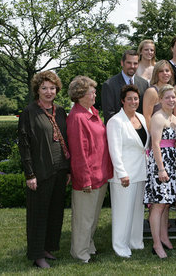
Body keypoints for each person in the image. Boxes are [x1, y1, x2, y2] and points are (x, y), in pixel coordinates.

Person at [18, 71, 70, 268]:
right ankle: (36, 254)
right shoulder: (29, 112)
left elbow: (68, 140)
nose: (49, 92)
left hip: (60, 169)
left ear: (57, 90)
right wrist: (29, 174)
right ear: (37, 90)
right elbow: (24, 145)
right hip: (40, 171)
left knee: (55, 212)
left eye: (52, 88)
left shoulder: (61, 111)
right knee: (38, 213)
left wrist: (69, 170)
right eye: (44, 88)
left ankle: (48, 247)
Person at [66, 76, 113, 263]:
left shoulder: (92, 111)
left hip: (99, 175)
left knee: (92, 217)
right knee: (83, 219)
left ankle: (89, 246)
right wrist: (84, 179)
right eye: (91, 91)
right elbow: (78, 152)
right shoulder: (77, 117)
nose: (95, 94)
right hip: (88, 177)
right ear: (80, 95)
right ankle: (80, 253)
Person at [107, 85, 150, 258]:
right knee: (123, 212)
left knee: (137, 210)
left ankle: (135, 241)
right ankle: (120, 246)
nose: (133, 101)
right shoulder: (116, 121)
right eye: (130, 99)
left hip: (140, 171)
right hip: (124, 174)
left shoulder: (140, 117)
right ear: (122, 101)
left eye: (136, 98)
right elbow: (114, 150)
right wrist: (121, 173)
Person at [144, 85, 176, 259]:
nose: (171, 100)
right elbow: (155, 144)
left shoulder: (174, 118)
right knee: (158, 205)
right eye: (167, 97)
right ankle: (156, 244)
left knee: (166, 203)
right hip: (161, 164)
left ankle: (164, 237)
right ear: (160, 99)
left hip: (172, 163)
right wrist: (161, 169)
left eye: (173, 97)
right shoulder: (158, 118)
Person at [102, 49, 149, 123]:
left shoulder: (144, 84)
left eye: (135, 63)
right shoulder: (109, 85)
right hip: (119, 129)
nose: (132, 66)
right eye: (129, 63)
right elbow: (109, 114)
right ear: (122, 63)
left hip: (140, 128)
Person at [142, 60, 175, 130]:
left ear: (171, 73)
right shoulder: (152, 91)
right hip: (156, 134)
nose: (165, 73)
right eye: (161, 71)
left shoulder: (172, 90)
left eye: (167, 70)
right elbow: (147, 117)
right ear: (156, 74)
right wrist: (152, 135)